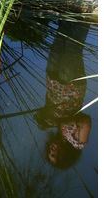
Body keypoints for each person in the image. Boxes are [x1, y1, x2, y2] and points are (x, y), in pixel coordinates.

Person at [34, 19, 93, 170]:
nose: (51, 151)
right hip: (71, 87)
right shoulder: (78, 143)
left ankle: (69, 13)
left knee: (58, 43)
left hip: (53, 82)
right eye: (54, 155)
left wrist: (44, 116)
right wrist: (62, 122)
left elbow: (52, 109)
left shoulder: (56, 130)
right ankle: (82, 16)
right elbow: (86, 122)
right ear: (64, 156)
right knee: (72, 49)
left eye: (49, 153)